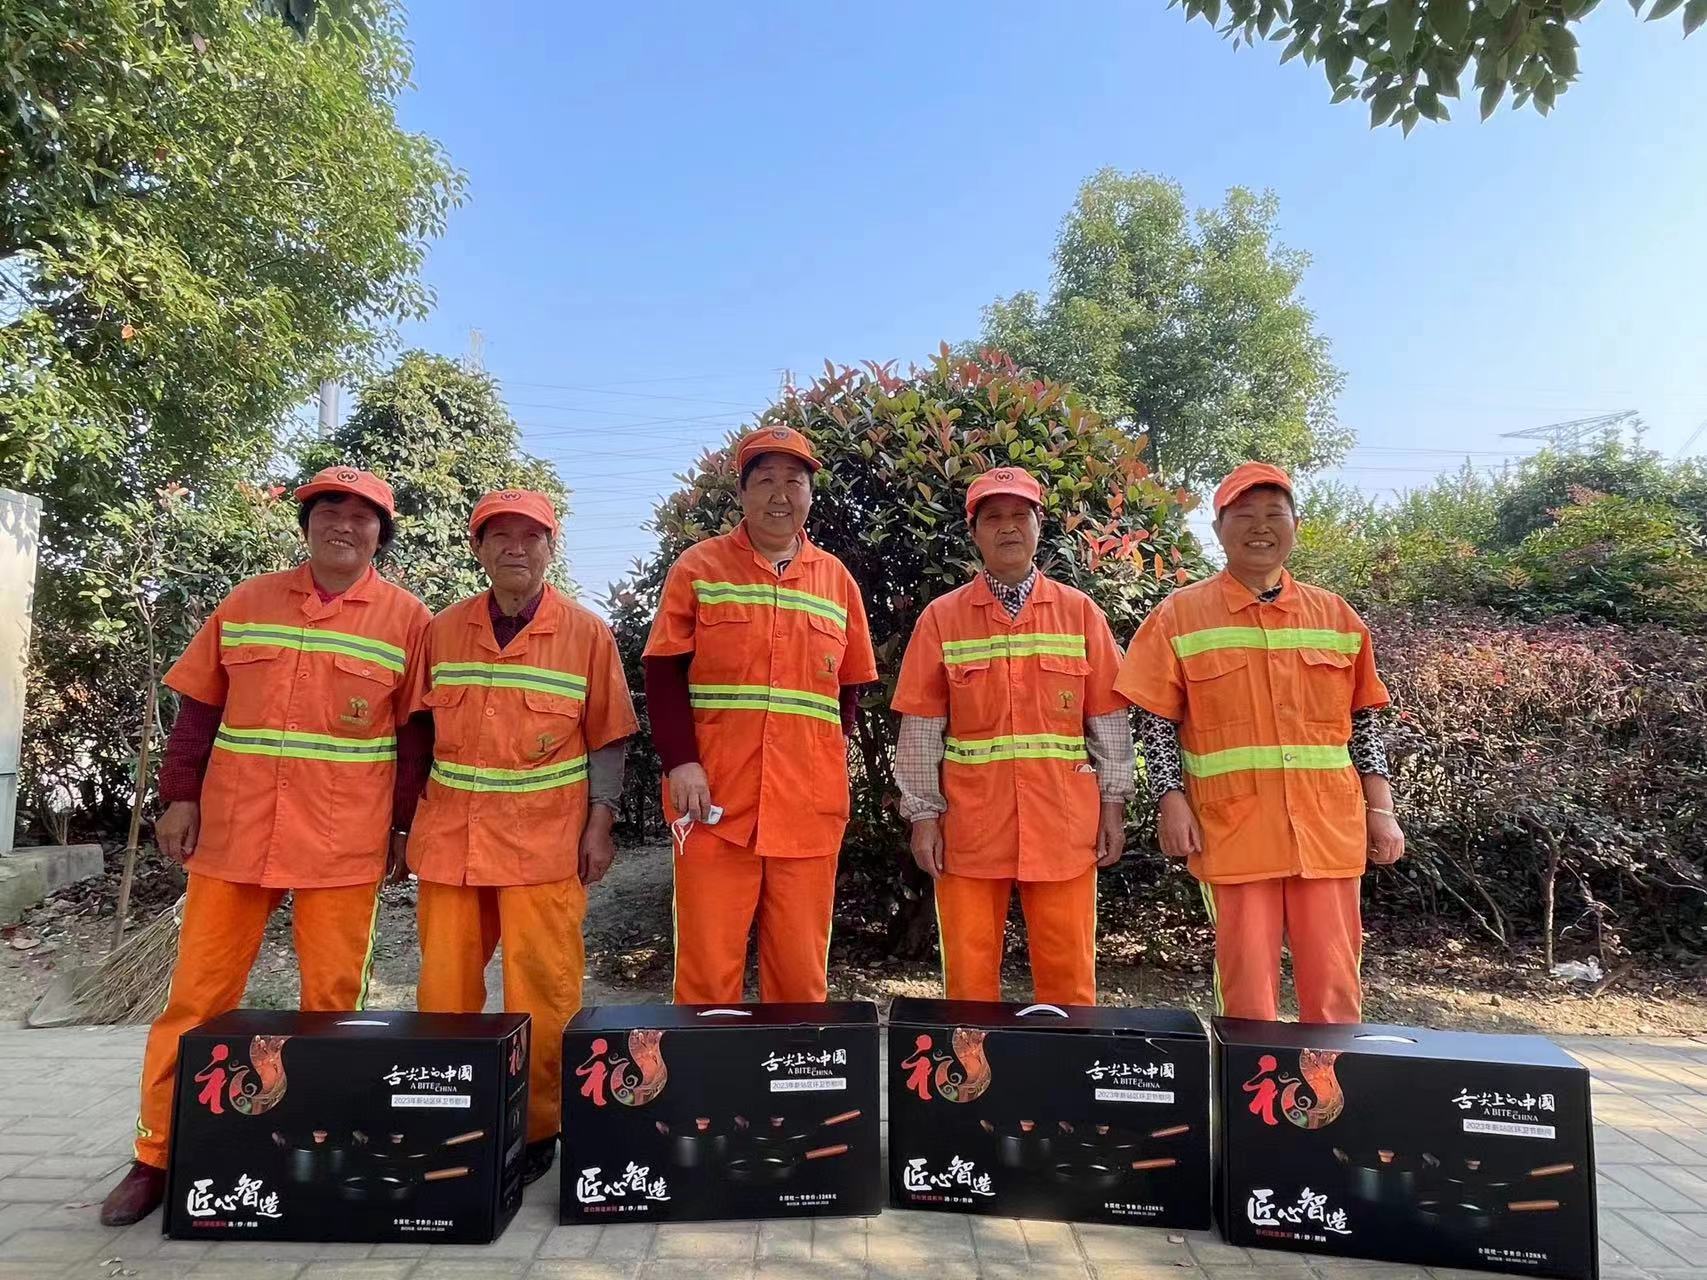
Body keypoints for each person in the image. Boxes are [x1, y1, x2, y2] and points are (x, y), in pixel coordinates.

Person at [100, 466, 430, 1226]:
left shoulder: (408, 621)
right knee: (196, 1002)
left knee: (335, 1007)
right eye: (327, 511)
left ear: (381, 534)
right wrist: (178, 797)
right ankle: (155, 1156)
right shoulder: (248, 603)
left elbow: (413, 739)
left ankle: (325, 1146)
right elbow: (199, 711)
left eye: (361, 516)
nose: (343, 525)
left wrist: (402, 829)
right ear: (306, 524)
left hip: (343, 842)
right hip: (234, 833)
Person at [402, 488, 637, 1184]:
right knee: (444, 991)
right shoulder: (442, 631)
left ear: (550, 549)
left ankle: (539, 1125)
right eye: (499, 535)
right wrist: (400, 824)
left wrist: (601, 823)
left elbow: (608, 739)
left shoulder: (586, 634)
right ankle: (450, 1112)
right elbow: (415, 734)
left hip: (545, 846)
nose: (515, 547)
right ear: (477, 549)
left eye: (530, 536)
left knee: (543, 990)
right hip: (451, 843)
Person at [1116, 462, 1404, 1024]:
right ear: (1218, 530)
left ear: (1296, 525)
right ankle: (1251, 1081)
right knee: (1247, 988)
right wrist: (1170, 799)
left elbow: (1365, 721)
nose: (1260, 527)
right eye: (1244, 515)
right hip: (1233, 829)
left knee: (1335, 984)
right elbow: (1154, 721)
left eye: (1275, 514)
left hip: (1327, 829)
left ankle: (1330, 1080)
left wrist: (1382, 811)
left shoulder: (1336, 615)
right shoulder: (1180, 615)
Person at [642, 426, 877, 1004]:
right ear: (742, 493)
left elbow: (847, 691)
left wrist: (824, 761)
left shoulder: (837, 581)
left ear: (810, 495)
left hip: (807, 807)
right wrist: (681, 762)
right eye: (765, 480)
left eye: (793, 481)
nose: (780, 494)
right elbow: (664, 673)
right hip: (713, 801)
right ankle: (706, 1066)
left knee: (800, 975)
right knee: (707, 969)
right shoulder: (699, 568)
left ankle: (792, 1067)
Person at [892, 467, 1132, 1006]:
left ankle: (1062, 1059)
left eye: (1020, 515)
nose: (1008, 527)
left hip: (1064, 827)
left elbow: (1109, 720)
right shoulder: (942, 619)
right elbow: (921, 729)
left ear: (1039, 525)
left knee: (1069, 979)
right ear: (974, 532)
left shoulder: (1079, 613)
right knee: (969, 981)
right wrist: (923, 816)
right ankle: (973, 1064)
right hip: (969, 830)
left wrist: (1113, 804)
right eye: (993, 517)